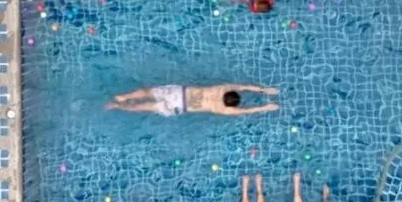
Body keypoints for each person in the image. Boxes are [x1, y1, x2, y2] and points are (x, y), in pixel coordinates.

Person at [106, 84, 279, 117]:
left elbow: (243, 86)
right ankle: (117, 106)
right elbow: (246, 111)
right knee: (144, 108)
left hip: (177, 92)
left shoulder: (221, 88)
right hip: (178, 106)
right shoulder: (223, 109)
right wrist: (266, 106)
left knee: (147, 92)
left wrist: (263, 89)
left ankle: (124, 97)